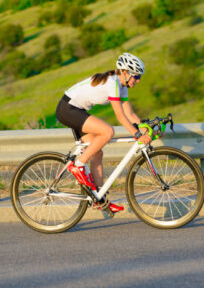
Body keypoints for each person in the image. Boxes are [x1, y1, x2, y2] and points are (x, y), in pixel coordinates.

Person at [55, 53, 151, 213]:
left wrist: (144, 128)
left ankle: (99, 199)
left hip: (77, 109)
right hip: (68, 108)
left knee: (97, 153)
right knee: (108, 131)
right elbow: (120, 116)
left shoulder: (122, 86)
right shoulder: (112, 83)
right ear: (126, 73)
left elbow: (129, 113)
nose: (138, 80)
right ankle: (78, 165)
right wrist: (137, 135)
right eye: (137, 76)